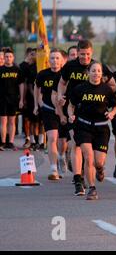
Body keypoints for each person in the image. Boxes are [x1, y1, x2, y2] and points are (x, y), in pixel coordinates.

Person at [56, 39, 116, 196]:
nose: (85, 57)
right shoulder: (70, 66)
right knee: (76, 145)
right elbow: (62, 83)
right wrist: (61, 96)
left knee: (96, 160)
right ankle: (80, 180)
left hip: (98, 119)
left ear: (92, 53)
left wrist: (105, 97)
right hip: (76, 112)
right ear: (77, 52)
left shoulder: (98, 67)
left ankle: (94, 170)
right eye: (82, 54)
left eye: (88, 54)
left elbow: (114, 87)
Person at [68, 62, 116, 200]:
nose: (96, 73)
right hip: (83, 126)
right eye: (93, 71)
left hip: (101, 128)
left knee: (98, 162)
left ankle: (100, 170)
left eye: (99, 71)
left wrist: (112, 113)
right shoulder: (80, 89)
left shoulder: (107, 90)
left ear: (102, 73)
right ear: (88, 73)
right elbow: (71, 105)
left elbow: (115, 106)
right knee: (88, 157)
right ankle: (92, 188)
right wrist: (70, 114)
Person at [34, 49, 64, 180]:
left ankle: (61, 156)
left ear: (62, 60)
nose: (55, 61)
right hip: (48, 110)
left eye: (57, 58)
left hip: (64, 111)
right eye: (52, 58)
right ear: (48, 60)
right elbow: (37, 88)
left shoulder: (65, 74)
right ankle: (53, 169)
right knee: (52, 138)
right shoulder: (42, 74)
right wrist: (37, 103)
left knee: (62, 141)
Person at [0, 48, 25, 151]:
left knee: (12, 121)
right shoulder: (0, 69)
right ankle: (2, 142)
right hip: (2, 98)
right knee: (3, 121)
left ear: (13, 58)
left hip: (13, 98)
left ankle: (10, 142)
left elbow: (21, 85)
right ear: (4, 58)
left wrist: (21, 99)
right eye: (6, 57)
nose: (8, 58)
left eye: (10, 57)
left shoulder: (17, 70)